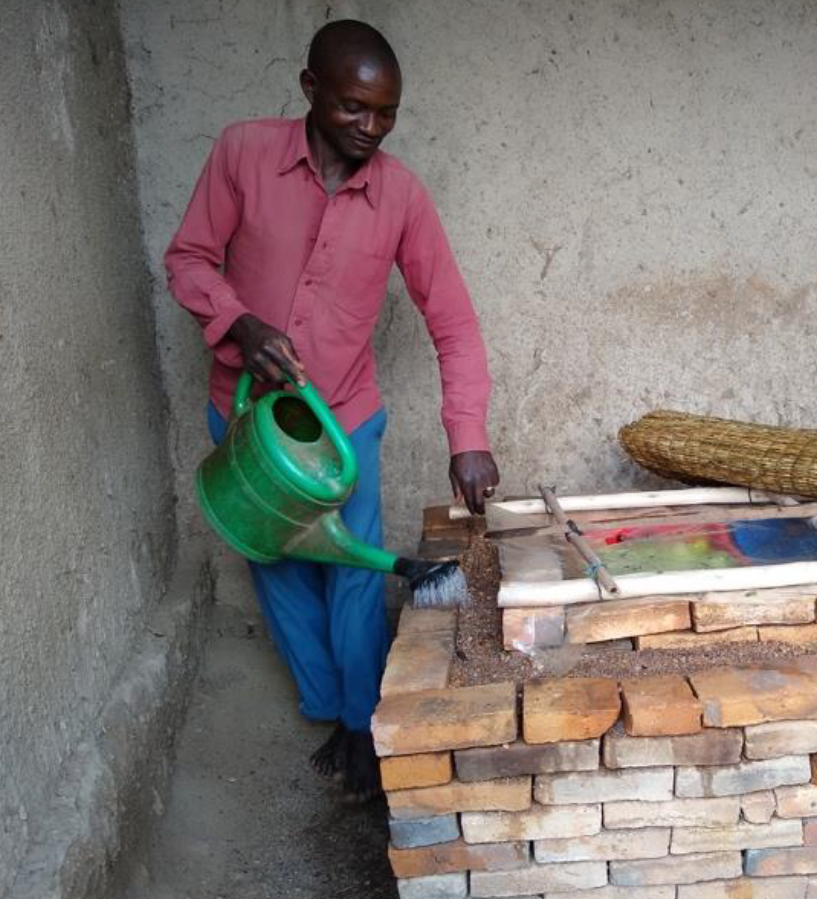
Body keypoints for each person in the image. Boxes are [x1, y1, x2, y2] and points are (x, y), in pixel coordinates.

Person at [165, 19, 499, 800]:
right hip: (249, 424)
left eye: (386, 113)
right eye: (354, 108)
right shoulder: (242, 153)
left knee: (352, 567)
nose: (372, 128)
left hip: (344, 419)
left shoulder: (402, 196)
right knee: (275, 561)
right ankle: (327, 706)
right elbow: (186, 260)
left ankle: (359, 720)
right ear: (310, 88)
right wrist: (239, 323)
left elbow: (453, 320)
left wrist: (469, 436)